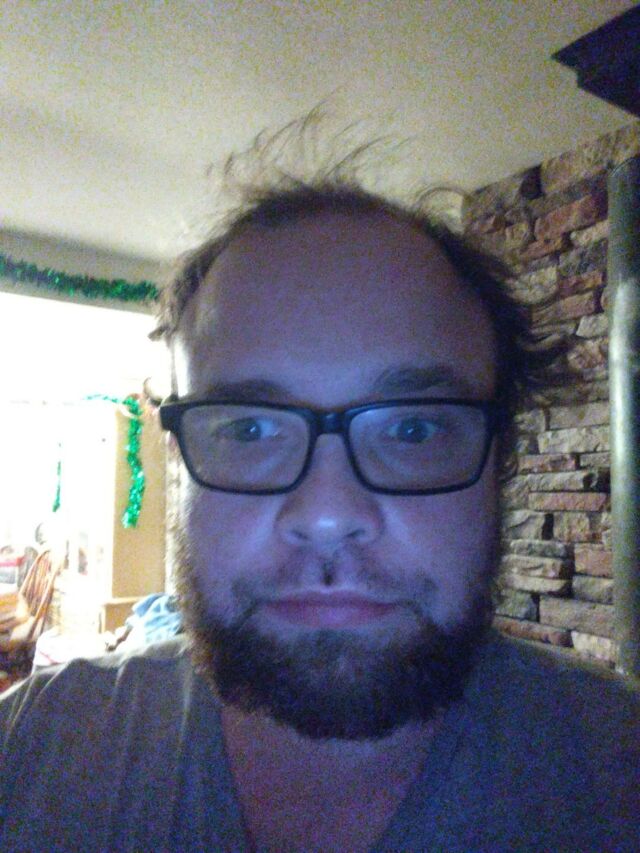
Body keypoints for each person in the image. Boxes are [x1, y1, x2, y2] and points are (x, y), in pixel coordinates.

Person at [0, 120, 638, 852]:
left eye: (412, 429)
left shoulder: (619, 768)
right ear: (178, 457)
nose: (328, 514)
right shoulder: (32, 747)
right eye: (249, 429)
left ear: (504, 461)